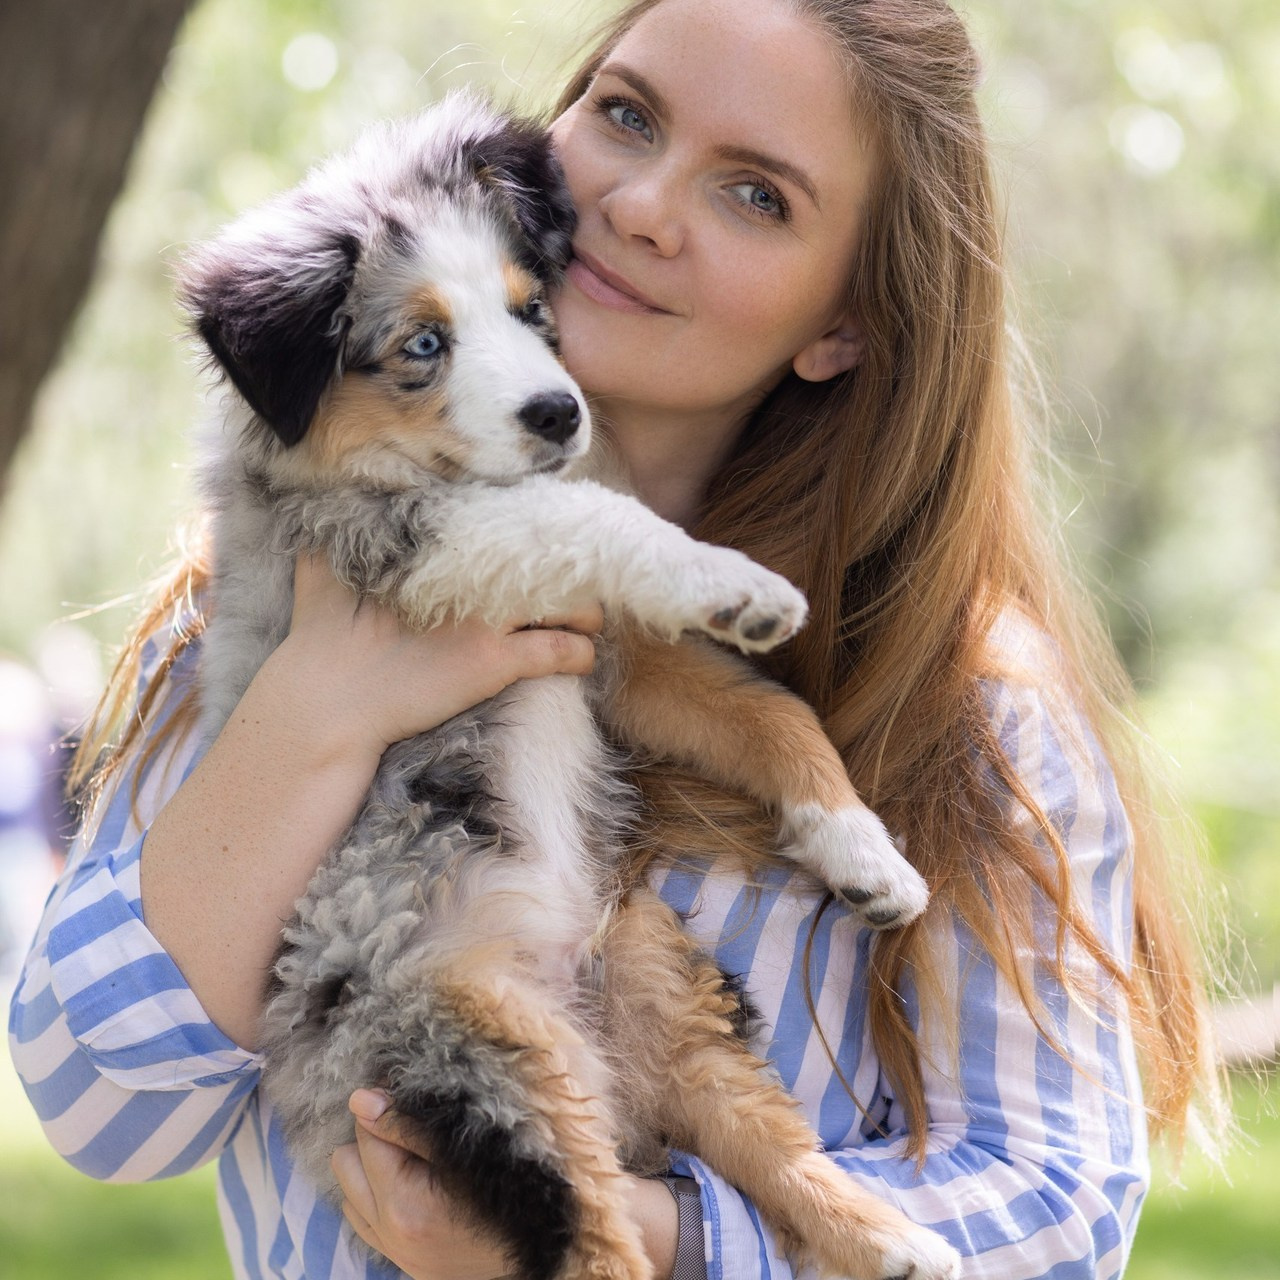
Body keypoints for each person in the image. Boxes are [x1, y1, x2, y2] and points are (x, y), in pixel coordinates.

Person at [8, 0, 1225, 1277]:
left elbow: (1057, 1205)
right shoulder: (269, 587)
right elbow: (105, 1112)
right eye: (628, 115)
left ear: (842, 323)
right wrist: (315, 708)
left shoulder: (969, 710)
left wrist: (636, 1230)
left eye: (755, 195)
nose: (641, 205)